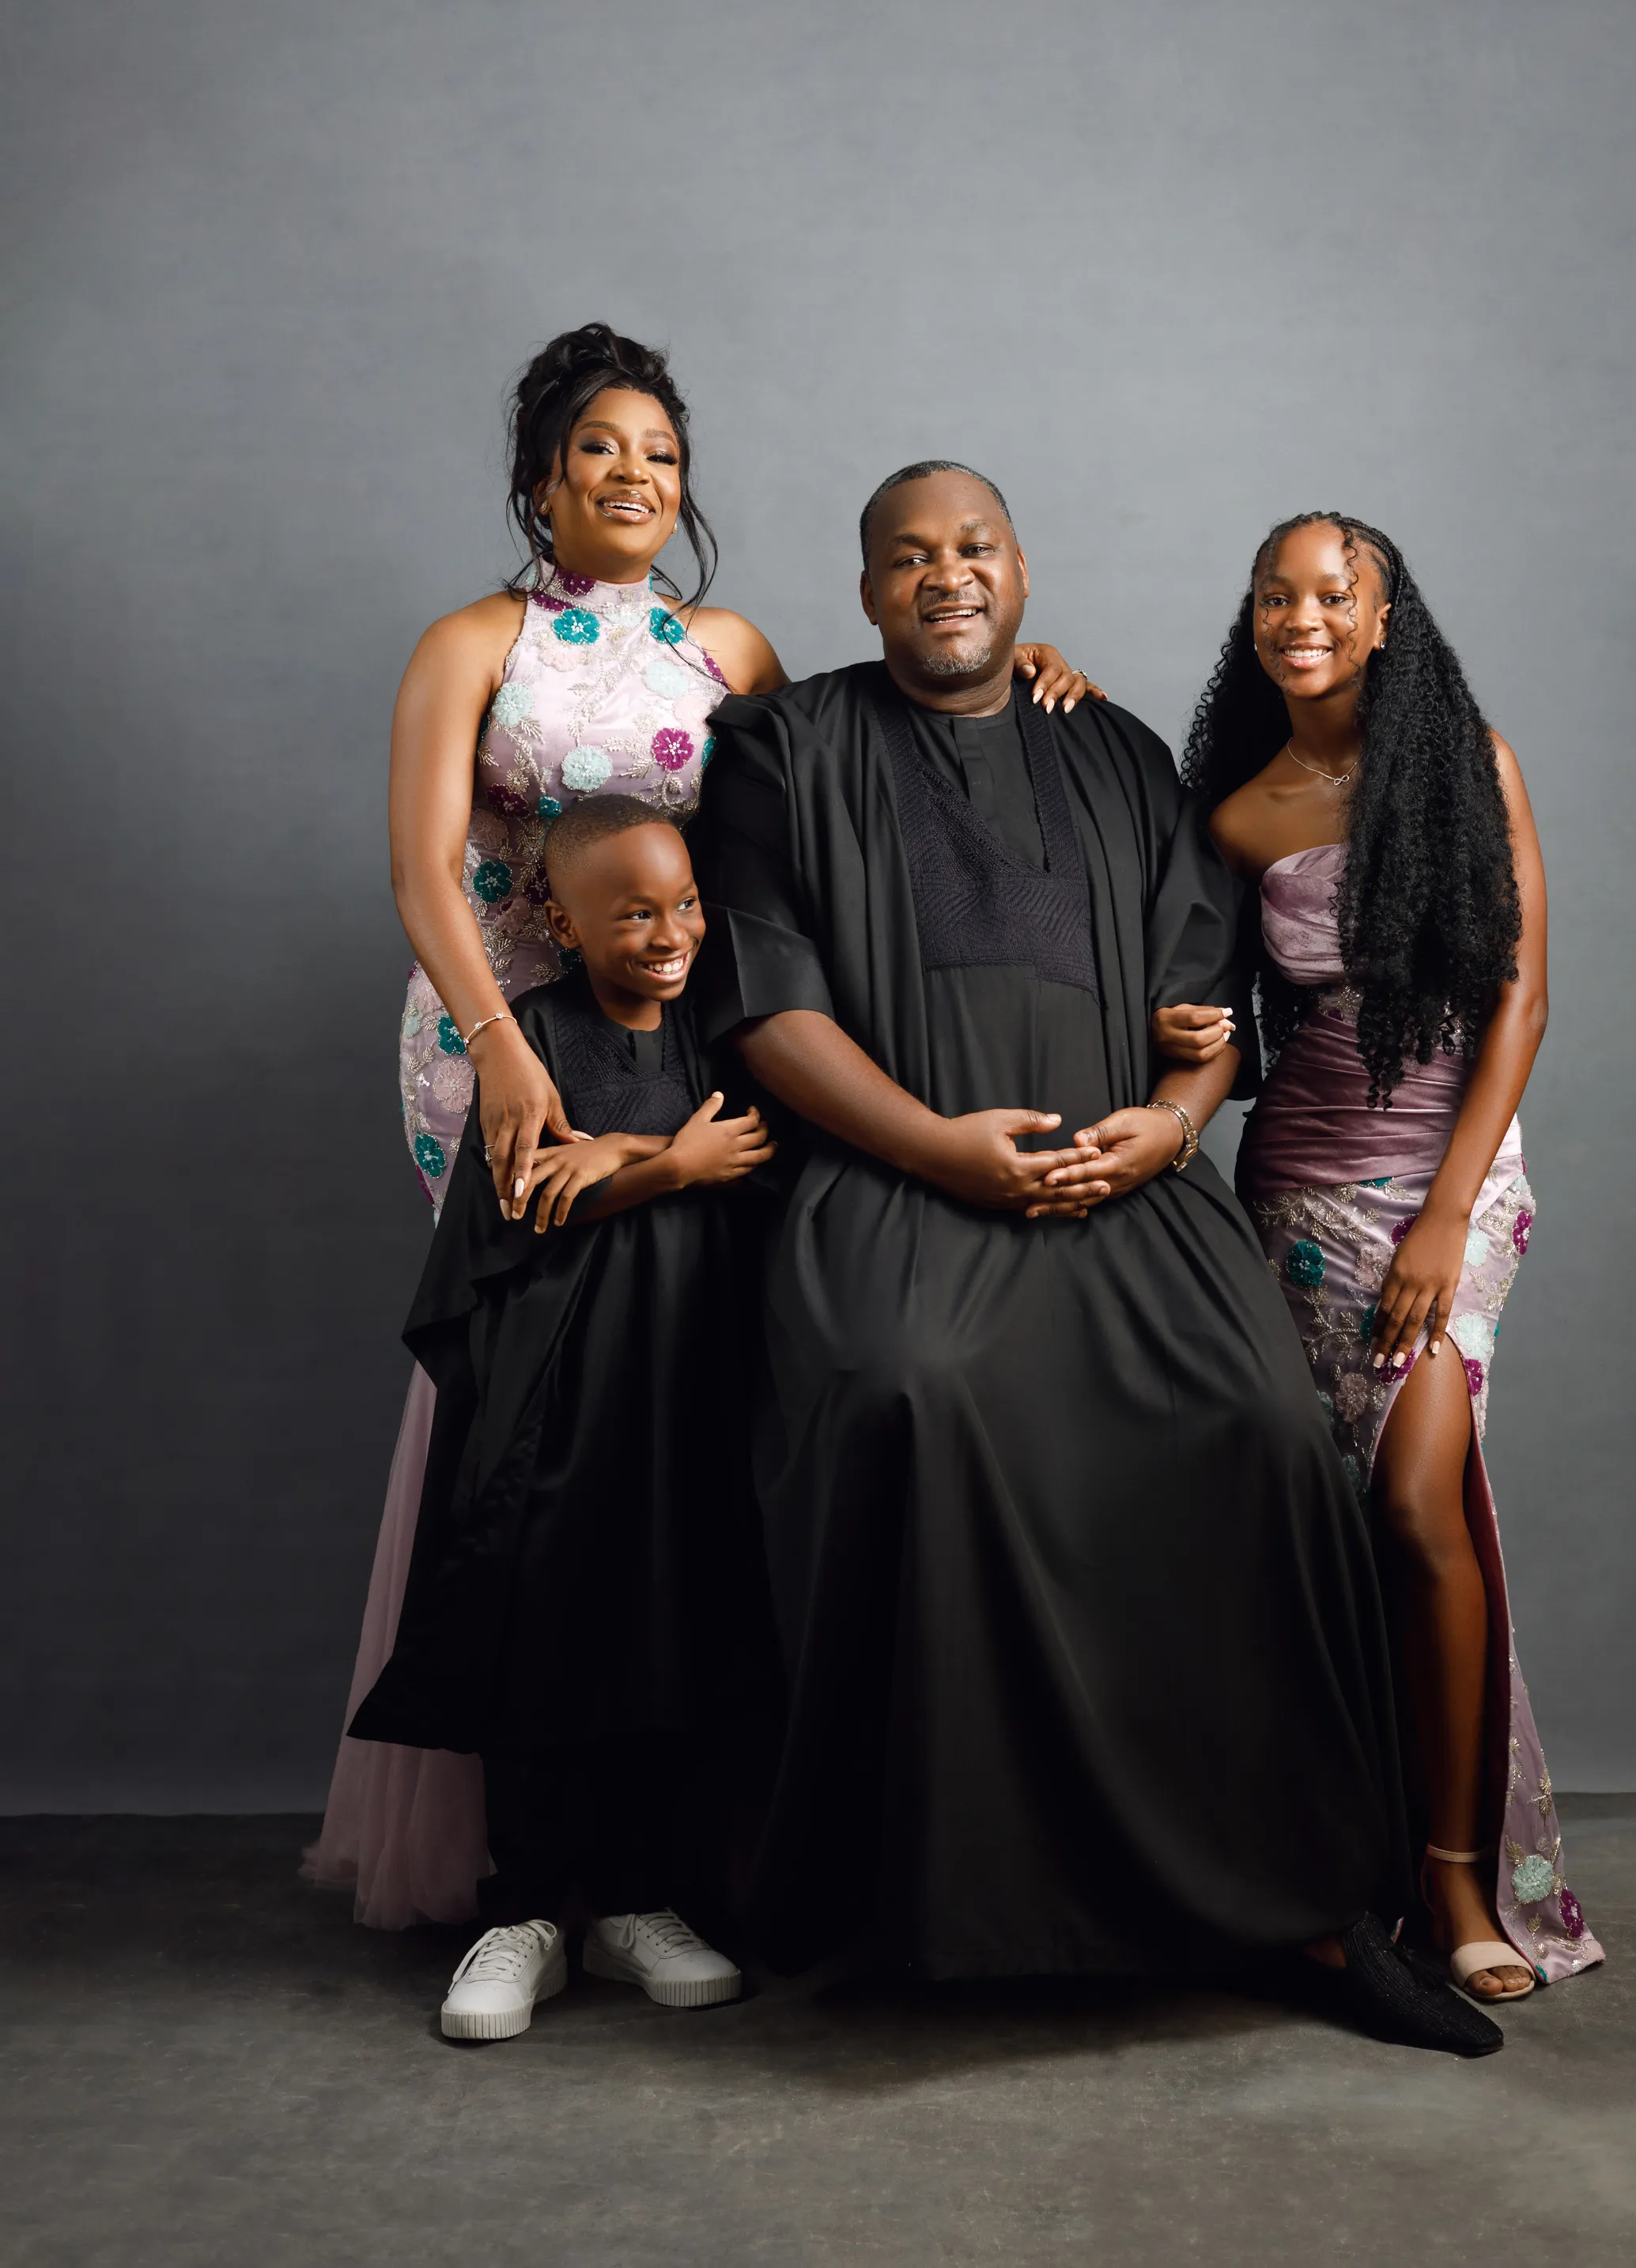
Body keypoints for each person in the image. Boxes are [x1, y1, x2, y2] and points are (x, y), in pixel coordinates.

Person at [688, 461, 1503, 2054]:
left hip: (1125, 1181)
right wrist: (935, 1148)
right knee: (909, 1394)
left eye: (974, 548)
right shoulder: (782, 748)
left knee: (1265, 1433)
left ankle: (1294, 1911)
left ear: (1023, 575)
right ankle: (939, 1918)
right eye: (907, 557)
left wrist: (1169, 1124)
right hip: (895, 1181)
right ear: (865, 592)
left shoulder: (1115, 751)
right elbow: (770, 1008)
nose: (946, 577)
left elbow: (1208, 1005)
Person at [306, 326, 1096, 1926]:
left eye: (660, 453)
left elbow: (844, 791)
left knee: (688, 1399)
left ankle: (681, 1860)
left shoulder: (726, 648)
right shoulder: (471, 643)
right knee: (537, 1412)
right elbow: (418, 871)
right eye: (599, 448)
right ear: (540, 479)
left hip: (690, 1049)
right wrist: (504, 1058)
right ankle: (518, 1868)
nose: (634, 476)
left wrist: (1028, 688)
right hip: (511, 1040)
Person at [1163, 512, 1602, 1998]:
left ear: (1382, 619)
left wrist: (1444, 1216)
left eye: (1331, 594)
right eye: (1275, 593)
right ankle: (1329, 1860)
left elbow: (1522, 1006)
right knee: (1319, 1536)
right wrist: (1182, 1048)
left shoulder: (1467, 766)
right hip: (1294, 1194)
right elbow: (1214, 1024)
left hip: (1450, 1184)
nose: (1301, 615)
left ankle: (1460, 1886)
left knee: (1421, 1506)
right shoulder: (1231, 810)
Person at [349, 797, 776, 2039]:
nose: (668, 931)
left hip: (688, 1381)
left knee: (673, 1620)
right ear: (559, 920)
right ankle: (525, 1909)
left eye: (684, 903)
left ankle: (639, 1902)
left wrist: (629, 1159)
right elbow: (525, 1195)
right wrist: (659, 1167)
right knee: (547, 1620)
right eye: (632, 912)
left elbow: (745, 1153)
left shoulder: (720, 1032)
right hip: (561, 1391)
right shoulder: (532, 1042)